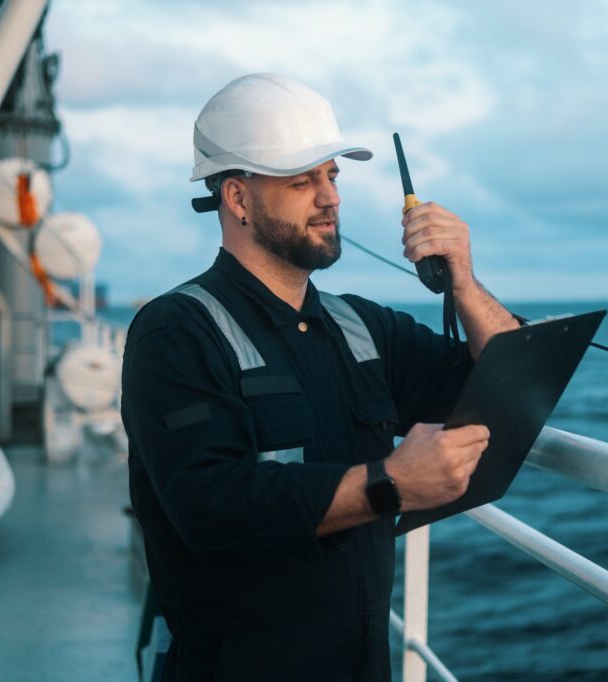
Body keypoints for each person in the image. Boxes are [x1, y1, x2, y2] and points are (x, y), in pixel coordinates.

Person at [121, 73, 519, 681]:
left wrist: (463, 280)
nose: (331, 197)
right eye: (303, 181)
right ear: (237, 198)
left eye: (332, 176)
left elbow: (512, 390)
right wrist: (388, 483)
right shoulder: (174, 332)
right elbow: (210, 506)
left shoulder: (361, 325)